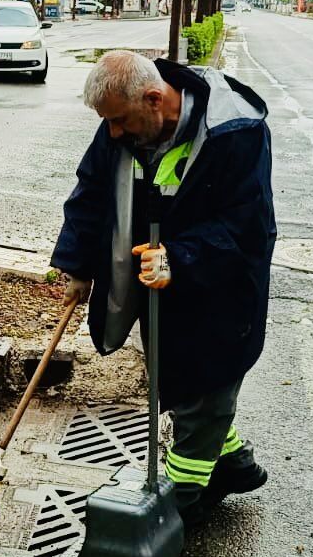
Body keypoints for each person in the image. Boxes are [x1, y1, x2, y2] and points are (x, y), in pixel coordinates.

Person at [52, 49, 277, 526]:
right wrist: (77, 266)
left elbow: (247, 227)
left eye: (121, 122)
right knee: (177, 380)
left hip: (220, 295)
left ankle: (175, 506)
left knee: (204, 388)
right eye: (107, 123)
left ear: (155, 99)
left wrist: (181, 257)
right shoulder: (123, 120)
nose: (113, 134)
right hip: (158, 288)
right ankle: (233, 463)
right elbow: (91, 192)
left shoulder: (234, 133)